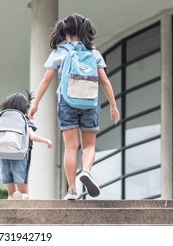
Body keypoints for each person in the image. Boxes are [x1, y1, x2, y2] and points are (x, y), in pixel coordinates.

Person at [28, 13, 120, 200]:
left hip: (67, 103)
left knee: (71, 147)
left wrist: (35, 103)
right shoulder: (93, 53)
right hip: (89, 103)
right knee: (89, 145)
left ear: (65, 31)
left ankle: (71, 190)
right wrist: (113, 105)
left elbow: (46, 79)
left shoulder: (60, 52)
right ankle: (86, 171)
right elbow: (104, 80)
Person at [0, 91, 53, 200]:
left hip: (3, 157)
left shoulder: (1, 120)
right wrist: (46, 140)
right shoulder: (24, 120)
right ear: (24, 107)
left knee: (10, 194)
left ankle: (13, 200)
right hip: (18, 156)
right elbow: (32, 136)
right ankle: (22, 197)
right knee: (24, 193)